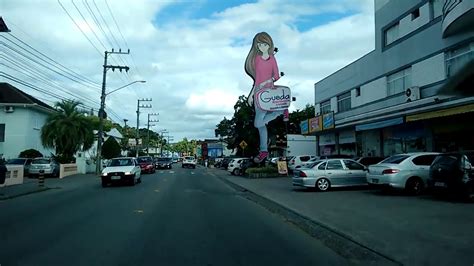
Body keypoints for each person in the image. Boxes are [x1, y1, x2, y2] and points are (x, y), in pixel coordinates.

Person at [245, 32, 288, 163]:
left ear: (269, 44)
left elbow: (277, 76)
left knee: (258, 123)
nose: (261, 46)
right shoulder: (256, 59)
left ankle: (281, 110)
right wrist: (251, 94)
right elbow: (256, 78)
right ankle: (264, 151)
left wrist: (266, 81)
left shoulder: (272, 58)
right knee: (259, 124)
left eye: (264, 44)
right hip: (258, 91)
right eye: (259, 44)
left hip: (269, 91)